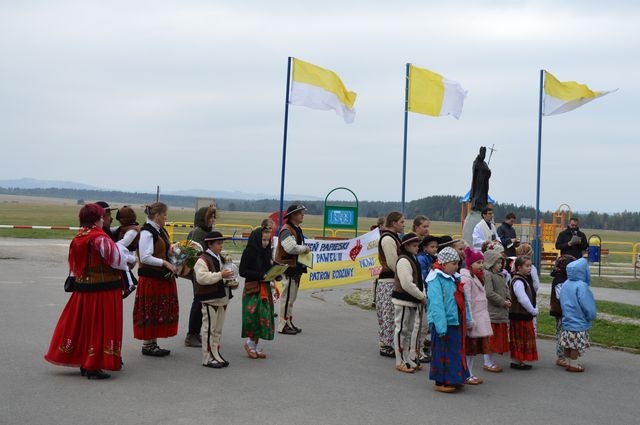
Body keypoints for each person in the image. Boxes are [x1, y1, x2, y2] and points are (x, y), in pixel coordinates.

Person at [45, 203, 136, 379]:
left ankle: (86, 362)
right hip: (103, 290)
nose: (104, 220)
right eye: (102, 217)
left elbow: (75, 266)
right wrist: (131, 257)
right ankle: (93, 365)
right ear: (96, 219)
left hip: (83, 290)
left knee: (85, 326)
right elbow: (117, 260)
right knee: (101, 326)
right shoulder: (99, 238)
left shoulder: (79, 237)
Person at [133, 202, 179, 357]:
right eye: (165, 215)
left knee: (156, 309)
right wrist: (165, 262)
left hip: (159, 278)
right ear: (158, 215)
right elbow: (145, 257)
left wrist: (171, 250)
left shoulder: (159, 230)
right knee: (151, 310)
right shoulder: (147, 233)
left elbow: (161, 249)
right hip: (151, 279)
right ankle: (147, 344)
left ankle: (153, 343)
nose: (166, 217)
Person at [427, 247, 471, 393]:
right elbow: (436, 304)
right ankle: (442, 380)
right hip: (444, 324)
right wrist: (441, 327)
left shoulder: (454, 278)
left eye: (458, 263)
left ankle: (455, 378)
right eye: (453, 263)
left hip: (456, 321)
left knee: (455, 352)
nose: (456, 267)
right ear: (444, 264)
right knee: (442, 352)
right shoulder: (435, 279)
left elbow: (464, 300)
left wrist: (468, 318)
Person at [194, 231, 236, 368]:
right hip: (210, 299)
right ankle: (207, 358)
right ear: (210, 244)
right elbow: (201, 278)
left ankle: (215, 354)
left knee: (217, 330)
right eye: (218, 243)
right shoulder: (202, 260)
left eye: (221, 243)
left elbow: (224, 275)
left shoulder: (219, 258)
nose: (221, 246)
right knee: (209, 329)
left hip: (222, 298)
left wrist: (231, 281)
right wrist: (220, 275)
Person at [391, 233, 426, 373]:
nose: (417, 248)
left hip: (411, 301)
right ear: (406, 246)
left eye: (418, 245)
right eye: (414, 245)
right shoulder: (404, 260)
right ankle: (399, 360)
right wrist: (421, 296)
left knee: (409, 330)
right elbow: (406, 283)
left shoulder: (412, 258)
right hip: (404, 300)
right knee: (401, 330)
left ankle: (407, 358)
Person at [239, 226, 275, 359]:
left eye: (268, 240)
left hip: (264, 288)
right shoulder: (249, 251)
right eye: (263, 240)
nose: (266, 243)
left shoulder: (266, 251)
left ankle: (254, 345)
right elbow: (243, 271)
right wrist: (262, 275)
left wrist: (276, 273)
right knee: (253, 318)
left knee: (263, 317)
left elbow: (269, 268)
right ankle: (249, 343)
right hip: (253, 289)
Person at [184, 204, 217, 348]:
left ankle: (195, 333)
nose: (213, 220)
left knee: (200, 300)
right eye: (211, 217)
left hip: (201, 271)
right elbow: (196, 253)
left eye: (214, 217)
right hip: (199, 271)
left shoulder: (203, 231)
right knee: (198, 301)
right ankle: (191, 334)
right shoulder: (199, 232)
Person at [275, 204, 310, 335]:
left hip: (294, 268)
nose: (302, 215)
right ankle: (283, 324)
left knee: (291, 298)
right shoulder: (286, 230)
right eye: (300, 213)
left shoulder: (294, 229)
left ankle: (288, 321)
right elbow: (290, 248)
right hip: (288, 267)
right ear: (293, 215)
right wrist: (304, 249)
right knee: (287, 297)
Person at [460, 247, 492, 385]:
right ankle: (466, 374)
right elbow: (466, 300)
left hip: (479, 318)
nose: (481, 265)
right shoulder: (466, 278)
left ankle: (470, 372)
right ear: (470, 263)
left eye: (481, 262)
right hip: (472, 319)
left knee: (472, 351)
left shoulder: (477, 277)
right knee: (468, 350)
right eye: (478, 262)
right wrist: (469, 320)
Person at [559, 258, 597, 372]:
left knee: (567, 343)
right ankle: (573, 365)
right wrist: (591, 315)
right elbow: (587, 304)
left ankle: (568, 361)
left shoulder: (566, 283)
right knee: (575, 344)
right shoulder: (582, 286)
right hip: (578, 320)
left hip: (567, 319)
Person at [376, 211, 404, 357]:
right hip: (388, 280)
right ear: (393, 223)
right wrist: (404, 275)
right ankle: (386, 345)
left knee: (391, 313)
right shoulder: (388, 239)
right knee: (388, 313)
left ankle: (390, 343)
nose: (403, 225)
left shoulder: (394, 238)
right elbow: (393, 262)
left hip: (391, 279)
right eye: (401, 222)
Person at [482, 249, 511, 373]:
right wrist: (502, 301)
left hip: (500, 311)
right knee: (490, 339)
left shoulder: (500, 275)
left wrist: (508, 298)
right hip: (493, 311)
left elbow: (505, 288)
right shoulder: (488, 274)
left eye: (501, 262)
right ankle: (487, 362)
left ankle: (491, 361)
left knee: (496, 338)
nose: (500, 265)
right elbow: (488, 292)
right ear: (490, 263)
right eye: (498, 263)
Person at [508, 256, 538, 370]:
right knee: (520, 338)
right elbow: (522, 298)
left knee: (523, 338)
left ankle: (520, 360)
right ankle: (517, 360)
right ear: (519, 267)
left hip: (523, 315)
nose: (529, 268)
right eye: (527, 266)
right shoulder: (518, 281)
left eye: (530, 266)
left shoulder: (524, 279)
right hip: (519, 315)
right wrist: (532, 310)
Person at [549, 255, 576, 368]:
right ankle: (560, 357)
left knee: (565, 333)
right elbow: (561, 296)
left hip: (566, 311)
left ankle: (566, 355)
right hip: (560, 311)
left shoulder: (566, 278)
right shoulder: (559, 279)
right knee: (561, 333)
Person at [114, 206, 140, 299]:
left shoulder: (133, 230)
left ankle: (129, 285)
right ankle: (129, 283)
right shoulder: (125, 228)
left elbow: (124, 243)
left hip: (128, 253)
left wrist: (110, 246)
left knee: (123, 266)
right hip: (124, 251)